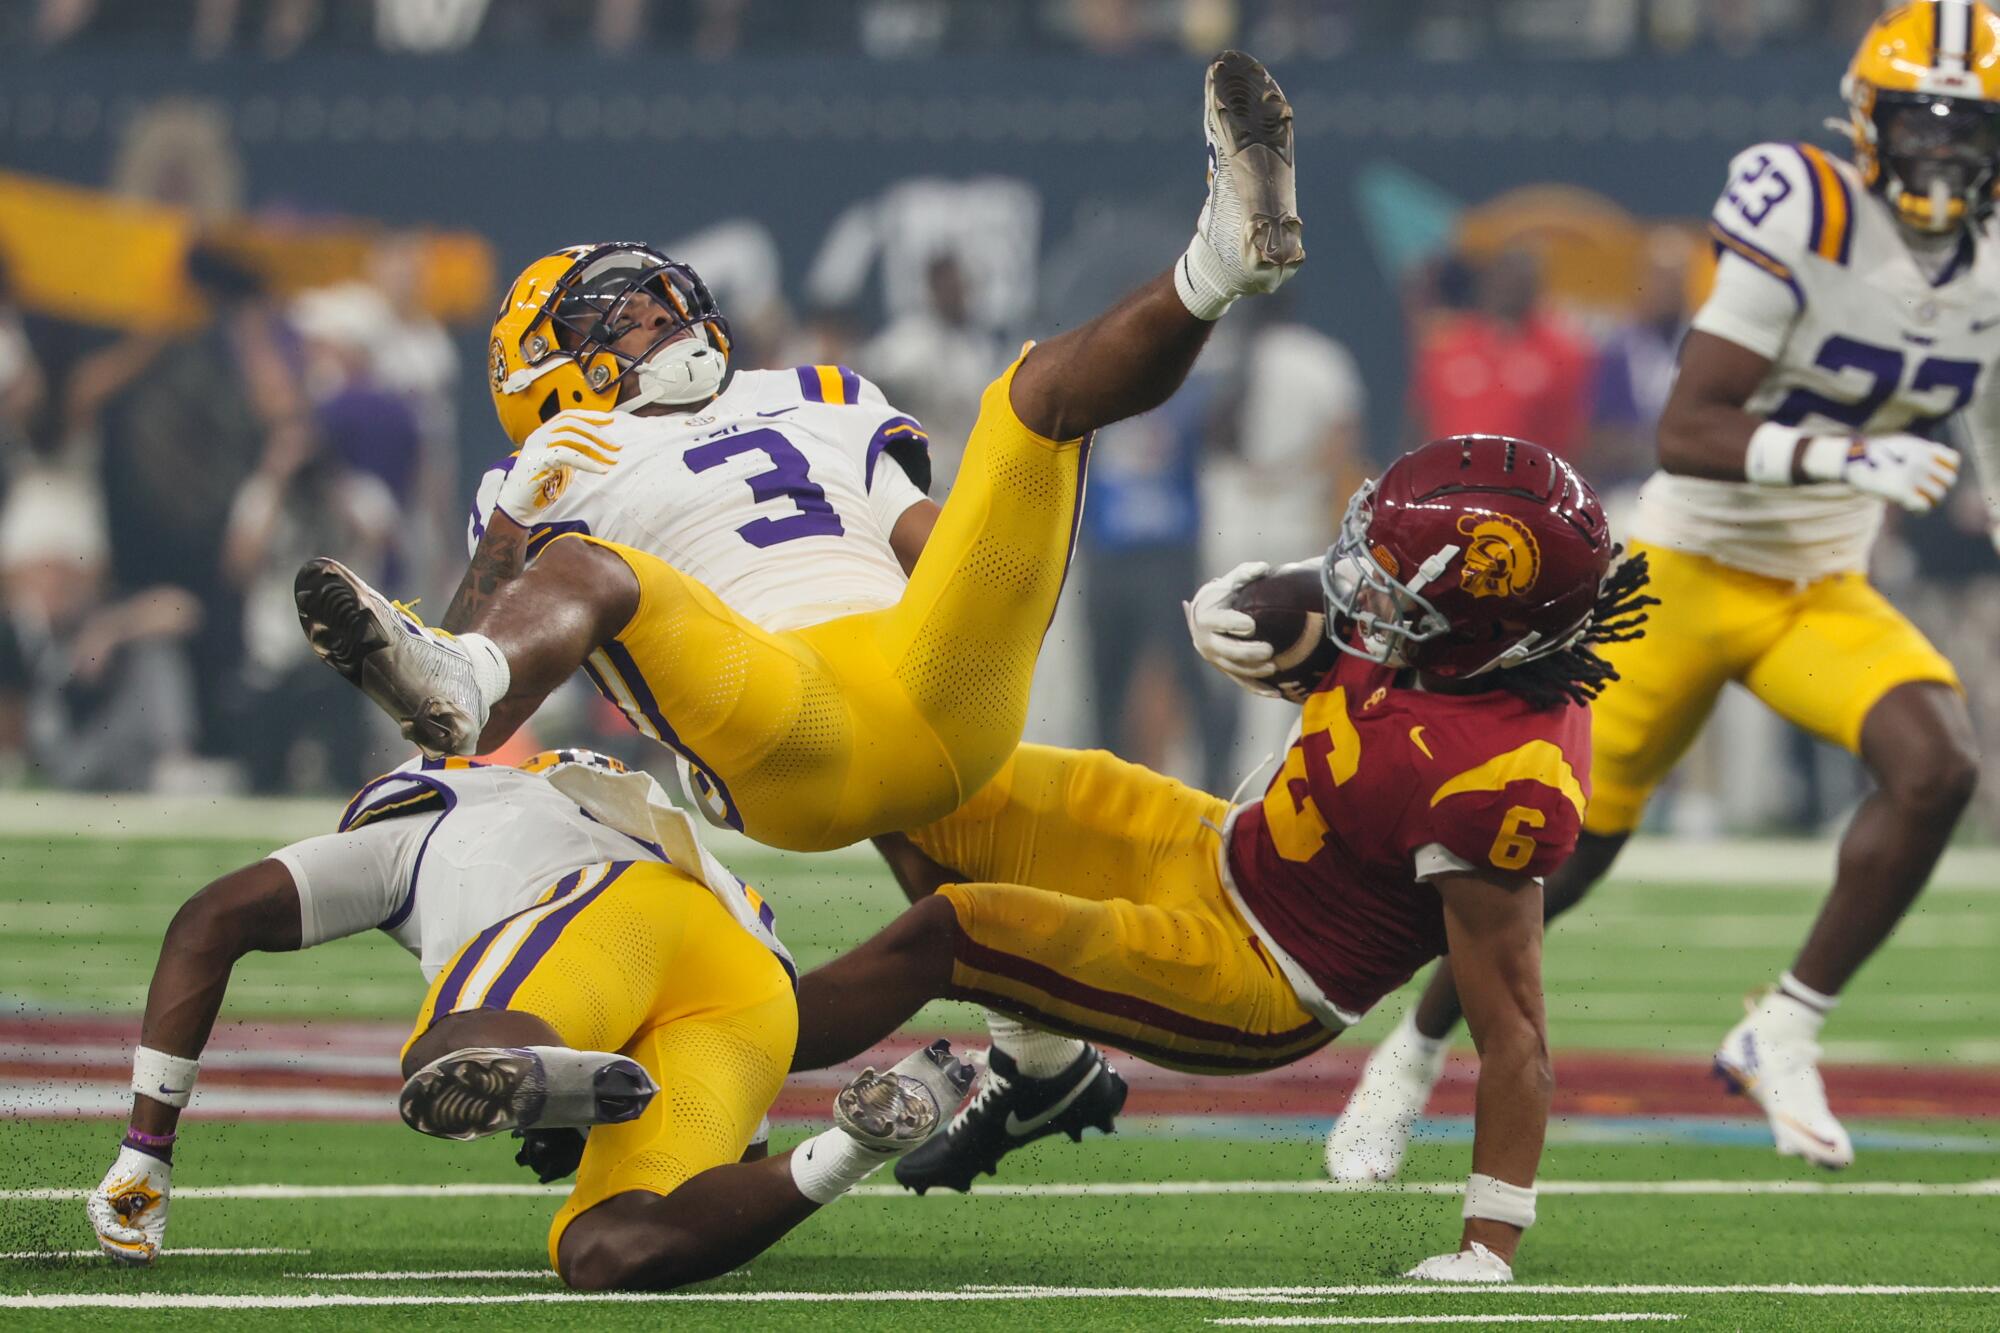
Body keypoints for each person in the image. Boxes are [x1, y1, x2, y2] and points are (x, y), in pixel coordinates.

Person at [293, 50, 1306, 855]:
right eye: (623, 314)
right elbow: (472, 696)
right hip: (774, 714)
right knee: (588, 569)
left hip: (935, 691)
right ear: (549, 373)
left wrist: (1009, 528)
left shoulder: (815, 393)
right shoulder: (561, 453)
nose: (661, 312)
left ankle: (1218, 261)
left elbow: (936, 546)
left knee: (1027, 397)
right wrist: (506, 549)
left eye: (659, 296)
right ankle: (453, 673)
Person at [1329, 0, 2000, 1182]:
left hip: (1815, 585)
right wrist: (1844, 457)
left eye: (1969, 131)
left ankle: (1782, 1023)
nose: (1943, 157)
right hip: (1684, 572)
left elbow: (1982, 385)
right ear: (1865, 125)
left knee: (1937, 763)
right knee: (1559, 850)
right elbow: (1683, 425)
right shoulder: (1807, 204)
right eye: (1922, 127)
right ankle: (1413, 1049)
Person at [788, 436, 1655, 1283]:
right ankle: (1043, 1072)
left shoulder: (1507, 777)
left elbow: (1516, 1034)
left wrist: (1487, 1244)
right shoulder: (1453, 629)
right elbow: (1327, 612)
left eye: (1392, 592)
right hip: (1214, 847)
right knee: (917, 771)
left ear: (1481, 634)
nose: (1364, 592)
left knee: (953, 931)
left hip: (1258, 975)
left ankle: (735, 1044)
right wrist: (1242, 609)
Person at [85, 745, 973, 1288]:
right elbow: (731, 1146)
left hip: (616, 915)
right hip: (747, 981)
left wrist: (145, 1153)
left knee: (445, 1047)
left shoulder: (415, 824)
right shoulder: (561, 788)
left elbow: (209, 920)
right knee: (609, 1249)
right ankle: (851, 1145)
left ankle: (557, 1084)